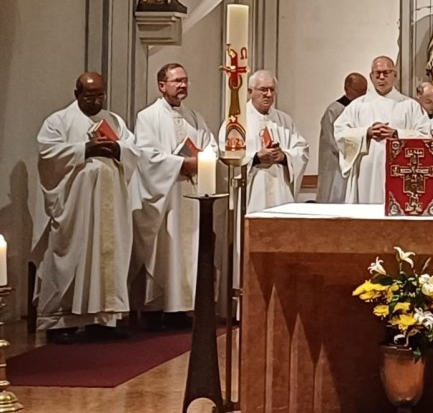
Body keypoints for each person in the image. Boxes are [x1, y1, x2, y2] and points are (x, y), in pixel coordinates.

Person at [33, 72, 141, 344]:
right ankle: (60, 322)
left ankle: (103, 320)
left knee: (108, 255)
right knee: (71, 254)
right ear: (77, 93)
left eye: (100, 95)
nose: (95, 100)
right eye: (89, 95)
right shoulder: (58, 121)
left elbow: (133, 149)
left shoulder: (113, 120)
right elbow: (48, 153)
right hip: (76, 205)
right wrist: (85, 149)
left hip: (110, 202)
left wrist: (116, 148)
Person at [133, 63, 217, 330]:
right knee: (166, 250)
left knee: (188, 250)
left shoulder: (194, 117)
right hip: (165, 196)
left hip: (190, 193)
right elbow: (147, 156)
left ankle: (181, 308)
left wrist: (202, 160)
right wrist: (182, 164)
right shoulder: (148, 117)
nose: (182, 86)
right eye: (177, 81)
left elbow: (210, 145)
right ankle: (158, 308)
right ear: (162, 85)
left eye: (185, 81)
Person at [333, 56, 432, 203]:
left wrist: (397, 134)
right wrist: (366, 132)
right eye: (377, 73)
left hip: (400, 172)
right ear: (371, 76)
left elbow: (426, 137)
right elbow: (340, 133)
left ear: (395, 76)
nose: (381, 77)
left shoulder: (409, 106)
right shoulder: (357, 106)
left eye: (386, 73)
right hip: (365, 173)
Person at [219, 70, 309, 212]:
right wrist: (255, 158)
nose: (268, 94)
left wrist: (284, 156)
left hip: (281, 192)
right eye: (263, 89)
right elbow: (225, 156)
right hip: (252, 193)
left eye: (272, 90)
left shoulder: (284, 120)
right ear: (250, 91)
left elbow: (302, 149)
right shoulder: (236, 121)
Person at [316, 73, 367, 203]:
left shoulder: (363, 110)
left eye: (364, 91)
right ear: (347, 88)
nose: (361, 95)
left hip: (356, 163)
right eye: (357, 90)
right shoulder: (334, 110)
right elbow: (333, 141)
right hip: (336, 165)